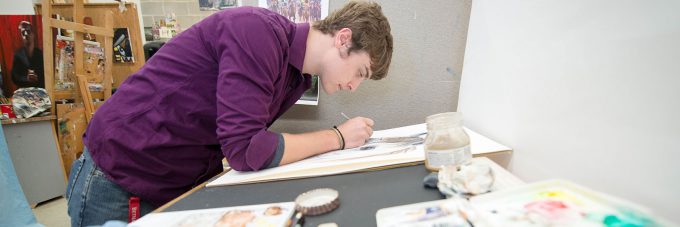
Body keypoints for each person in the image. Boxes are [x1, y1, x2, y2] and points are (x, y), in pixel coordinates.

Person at [66, 1, 393, 226]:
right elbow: (245, 148)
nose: (354, 86)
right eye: (361, 72)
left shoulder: (296, 78)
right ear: (343, 39)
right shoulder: (257, 31)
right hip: (122, 171)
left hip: (177, 180)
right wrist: (337, 137)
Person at [11, 21, 44, 88]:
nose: (26, 34)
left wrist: (37, 78)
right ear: (21, 37)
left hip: (39, 90)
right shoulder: (17, 55)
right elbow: (14, 77)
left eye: (28, 31)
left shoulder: (40, 54)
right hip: (23, 91)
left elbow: (47, 75)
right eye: (23, 33)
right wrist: (26, 78)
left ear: (33, 34)